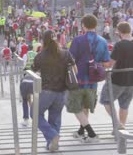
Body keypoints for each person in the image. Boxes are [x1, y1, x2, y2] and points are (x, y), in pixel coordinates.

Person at [68, 15, 110, 143]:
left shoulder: (78, 40)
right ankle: (81, 132)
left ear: (83, 25)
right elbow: (106, 63)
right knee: (85, 106)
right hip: (93, 80)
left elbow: (70, 59)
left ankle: (91, 134)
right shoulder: (103, 41)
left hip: (78, 79)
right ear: (96, 25)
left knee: (75, 107)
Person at [32, 30, 77, 152]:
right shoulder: (66, 54)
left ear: (43, 41)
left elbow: (33, 71)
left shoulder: (40, 56)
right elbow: (74, 70)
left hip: (46, 91)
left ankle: (52, 136)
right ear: (56, 39)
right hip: (62, 91)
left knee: (34, 114)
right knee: (55, 117)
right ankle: (51, 144)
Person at [100, 22, 133, 131]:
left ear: (119, 32)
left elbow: (110, 64)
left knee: (105, 99)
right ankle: (121, 129)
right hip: (131, 80)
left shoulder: (119, 45)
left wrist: (101, 62)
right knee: (124, 105)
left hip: (117, 79)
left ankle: (118, 124)